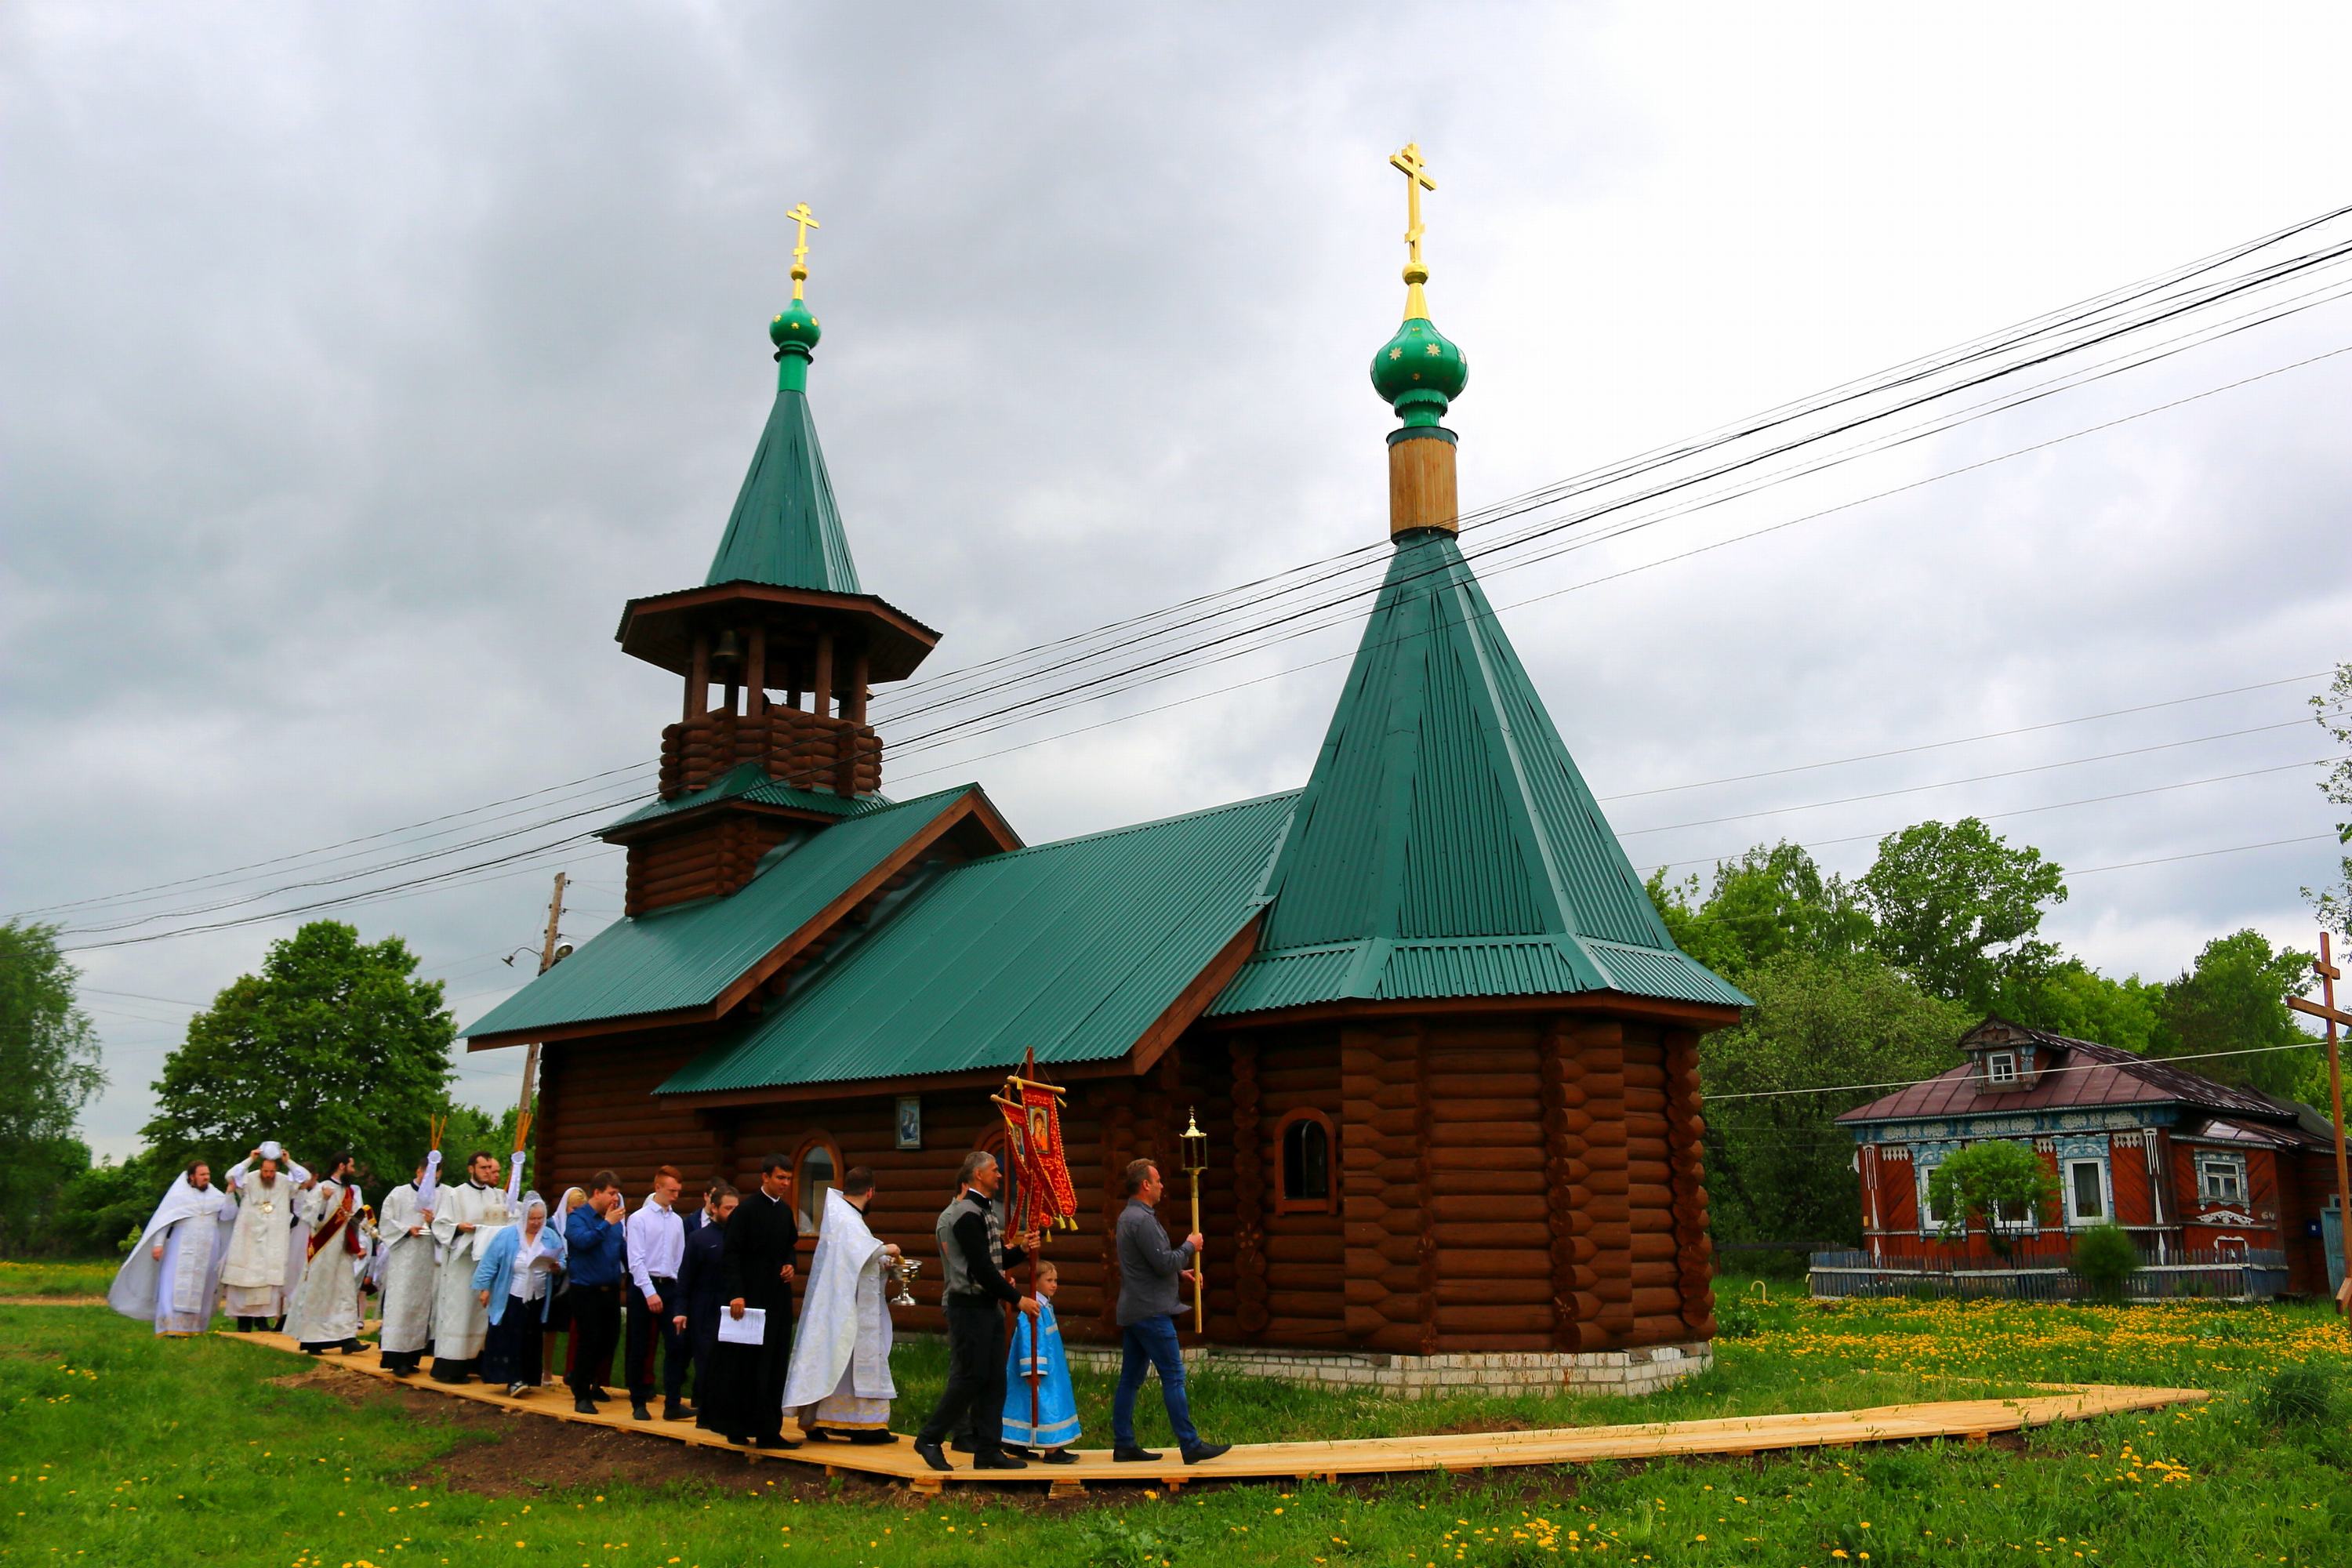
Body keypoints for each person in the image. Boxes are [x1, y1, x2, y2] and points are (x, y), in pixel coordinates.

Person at [913, 1151, 1039, 1473]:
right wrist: (1018, 1298)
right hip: (968, 1307)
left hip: (987, 1307)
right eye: (995, 1170)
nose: (1000, 1175)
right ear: (977, 1175)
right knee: (969, 1378)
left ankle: (988, 1449)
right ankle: (930, 1438)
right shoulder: (965, 1215)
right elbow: (982, 1271)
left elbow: (993, 1264)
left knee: (994, 1380)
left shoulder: (983, 1212)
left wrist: (1021, 1251)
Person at [1112, 1158, 1229, 1465]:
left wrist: (1181, 1273)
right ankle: (1190, 1444)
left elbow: (1149, 1264)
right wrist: (1190, 1246)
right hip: (1151, 1311)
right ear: (1145, 1184)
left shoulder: (1130, 1217)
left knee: (1131, 1379)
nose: (1163, 1185)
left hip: (1136, 1307)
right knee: (1174, 1376)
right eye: (1158, 1180)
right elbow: (1163, 1261)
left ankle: (1123, 1443)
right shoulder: (1142, 1220)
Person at [782, 1165, 902, 1445]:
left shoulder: (842, 1215)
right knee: (845, 1360)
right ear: (870, 1192)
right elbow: (861, 1251)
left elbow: (856, 1259)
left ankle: (830, 1420)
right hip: (851, 1307)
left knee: (838, 1361)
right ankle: (863, 1426)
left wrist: (884, 1264)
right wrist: (888, 1249)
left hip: (850, 1302)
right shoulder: (846, 1219)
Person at [708, 1153, 800, 1448]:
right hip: (748, 1301)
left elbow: (789, 1247)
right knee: (745, 1365)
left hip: (777, 1298)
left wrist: (790, 1264)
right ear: (765, 1177)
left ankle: (768, 1430)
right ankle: (736, 1426)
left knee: (773, 1364)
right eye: (780, 1178)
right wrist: (737, 1293)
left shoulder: (785, 1212)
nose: (785, 1184)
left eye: (788, 1179)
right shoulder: (745, 1212)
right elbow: (731, 1254)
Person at [109, 1161, 237, 1335]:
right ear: (192, 1177)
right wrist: (158, 1245)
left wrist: (230, 1194)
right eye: (202, 1175)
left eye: (208, 1174)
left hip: (208, 1249)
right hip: (181, 1246)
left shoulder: (216, 1196)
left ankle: (195, 1328)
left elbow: (228, 1216)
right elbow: (164, 1221)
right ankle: (170, 1326)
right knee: (173, 1284)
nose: (206, 1178)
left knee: (204, 1286)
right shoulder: (178, 1196)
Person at [428, 1150, 517, 1382]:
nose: (488, 1172)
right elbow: (441, 1224)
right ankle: (451, 1367)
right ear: (471, 1169)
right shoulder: (455, 1195)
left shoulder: (497, 1196)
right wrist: (459, 1227)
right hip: (462, 1264)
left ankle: (477, 1362)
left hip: (487, 1265)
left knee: (481, 1314)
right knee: (461, 1311)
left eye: (490, 1167)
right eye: (483, 1168)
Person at [474, 1190, 567, 1398]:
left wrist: (557, 1267)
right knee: (512, 1337)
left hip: (538, 1295)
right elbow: (489, 1263)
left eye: (540, 1218)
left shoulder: (550, 1236)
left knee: (531, 1338)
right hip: (512, 1294)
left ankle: (527, 1377)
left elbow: (562, 1261)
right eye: (532, 1218)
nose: (536, 1223)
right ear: (524, 1217)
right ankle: (513, 1379)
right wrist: (485, 1288)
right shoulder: (507, 1236)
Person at [622, 1164, 688, 1422]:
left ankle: (673, 1402)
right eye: (671, 1190)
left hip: (669, 1285)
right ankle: (638, 1401)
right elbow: (636, 1261)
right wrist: (650, 1292)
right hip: (643, 1286)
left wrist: (679, 1293)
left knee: (676, 1344)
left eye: (678, 1191)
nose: (675, 1195)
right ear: (658, 1187)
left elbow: (679, 1259)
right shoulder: (639, 1219)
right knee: (639, 1344)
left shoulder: (676, 1222)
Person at [219, 1142, 309, 1330]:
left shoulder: (284, 1182)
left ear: (276, 1169)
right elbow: (230, 1176)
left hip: (273, 1239)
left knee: (268, 1282)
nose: (268, 1175)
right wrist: (250, 1159)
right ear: (260, 1168)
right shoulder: (249, 1179)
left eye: (272, 1171)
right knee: (246, 1279)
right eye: (265, 1171)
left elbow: (305, 1178)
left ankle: (263, 1321)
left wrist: (289, 1161)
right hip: (248, 1237)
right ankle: (244, 1322)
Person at [286, 1152, 367, 1355]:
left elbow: (356, 1219)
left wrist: (361, 1240)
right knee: (321, 1293)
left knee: (345, 1292)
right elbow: (313, 1219)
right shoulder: (321, 1188)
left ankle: (348, 1338)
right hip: (323, 1251)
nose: (353, 1170)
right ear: (341, 1166)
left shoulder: (348, 1192)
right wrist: (323, 1200)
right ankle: (313, 1340)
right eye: (351, 1166)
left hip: (342, 1252)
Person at [673, 1181, 738, 1427]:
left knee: (730, 1363)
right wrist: (681, 1310)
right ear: (714, 1208)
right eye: (728, 1208)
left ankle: (726, 1412)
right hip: (704, 1307)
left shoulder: (740, 1238)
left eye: (735, 1208)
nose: (732, 1213)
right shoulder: (699, 1239)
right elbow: (686, 1277)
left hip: (733, 1308)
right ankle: (707, 1415)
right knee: (707, 1362)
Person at [564, 1171, 629, 1415]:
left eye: (617, 1194)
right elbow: (582, 1242)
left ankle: (585, 1378)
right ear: (598, 1192)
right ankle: (581, 1394)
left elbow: (622, 1249)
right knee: (589, 1340)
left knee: (609, 1340)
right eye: (612, 1193)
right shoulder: (578, 1217)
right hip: (586, 1289)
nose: (615, 1199)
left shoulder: (614, 1222)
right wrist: (606, 1224)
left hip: (610, 1289)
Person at [1002, 1258, 1080, 1461]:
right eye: (1049, 1280)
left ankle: (1017, 1442)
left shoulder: (1045, 1306)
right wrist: (1033, 1368)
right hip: (1039, 1369)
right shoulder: (1033, 1309)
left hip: (1052, 1366)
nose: (1054, 1284)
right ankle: (1052, 1449)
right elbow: (1030, 1341)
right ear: (1035, 1282)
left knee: (1028, 1404)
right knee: (1044, 1404)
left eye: (1056, 1280)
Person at [374, 1160, 436, 1374]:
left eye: (436, 1174)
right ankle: (394, 1357)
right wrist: (407, 1229)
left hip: (426, 1258)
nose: (432, 1178)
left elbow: (446, 1224)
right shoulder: (399, 1193)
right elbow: (386, 1221)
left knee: (419, 1307)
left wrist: (434, 1221)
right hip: (403, 1257)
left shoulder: (441, 1196)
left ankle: (412, 1358)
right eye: (428, 1173)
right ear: (418, 1171)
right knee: (400, 1305)